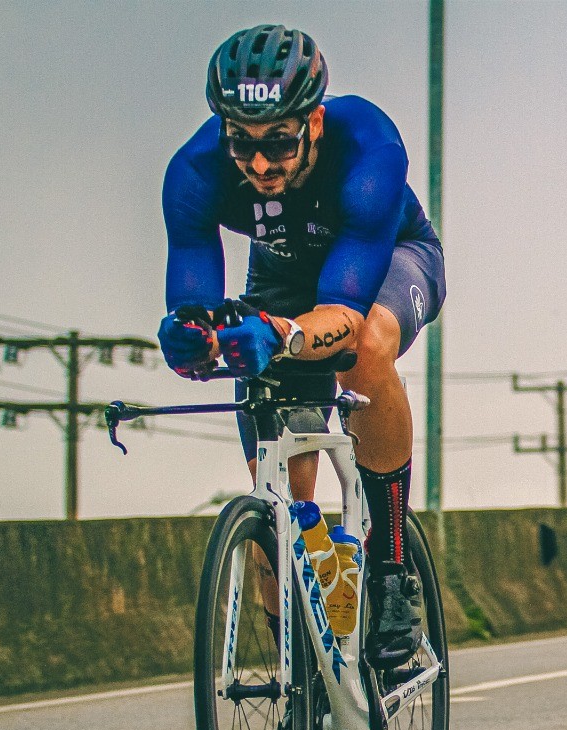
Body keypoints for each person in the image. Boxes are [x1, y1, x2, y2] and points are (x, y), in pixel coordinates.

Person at [157, 24, 443, 668]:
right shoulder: (194, 173)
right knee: (279, 516)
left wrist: (280, 335)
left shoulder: (369, 150)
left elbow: (341, 316)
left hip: (388, 258)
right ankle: (301, 702)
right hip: (283, 274)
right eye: (243, 144)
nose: (260, 165)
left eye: (280, 142)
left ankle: (392, 566)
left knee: (366, 347)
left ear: (313, 120)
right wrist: (194, 341)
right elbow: (194, 301)